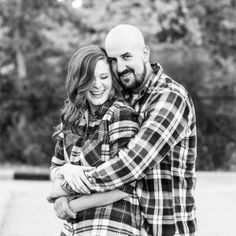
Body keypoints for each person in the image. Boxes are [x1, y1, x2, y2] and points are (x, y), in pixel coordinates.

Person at [53, 24, 197, 236]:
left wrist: (69, 187)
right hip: (130, 227)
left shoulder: (170, 97)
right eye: (113, 60)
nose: (120, 67)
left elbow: (132, 164)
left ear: (145, 53)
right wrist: (65, 176)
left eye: (126, 56)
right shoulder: (119, 100)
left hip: (163, 228)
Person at [48, 45, 142, 236]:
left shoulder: (120, 114)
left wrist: (68, 202)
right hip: (73, 228)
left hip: (110, 226)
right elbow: (55, 169)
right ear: (79, 81)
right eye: (90, 78)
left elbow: (126, 185)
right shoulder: (71, 116)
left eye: (104, 77)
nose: (98, 85)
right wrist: (65, 178)